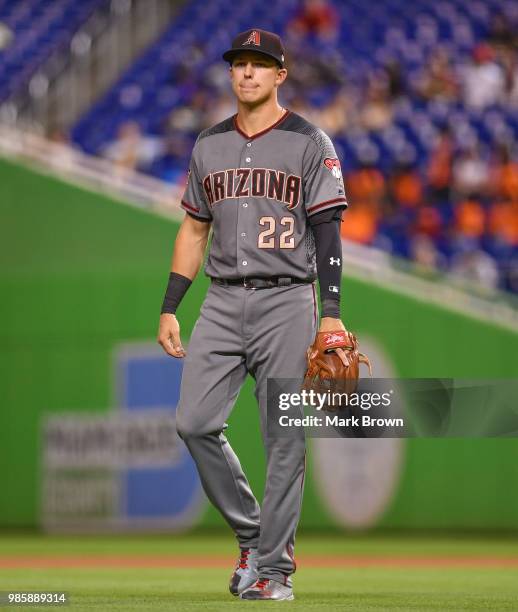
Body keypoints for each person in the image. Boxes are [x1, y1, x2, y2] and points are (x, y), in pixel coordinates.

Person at [157, 28, 348, 601]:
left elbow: (328, 230)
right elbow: (194, 227)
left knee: (285, 438)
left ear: (279, 75)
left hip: (289, 299)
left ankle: (275, 570)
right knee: (192, 422)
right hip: (220, 299)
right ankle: (252, 533)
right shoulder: (208, 144)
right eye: (239, 64)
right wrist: (171, 306)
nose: (247, 73)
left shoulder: (311, 142)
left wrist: (331, 313)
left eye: (259, 65)